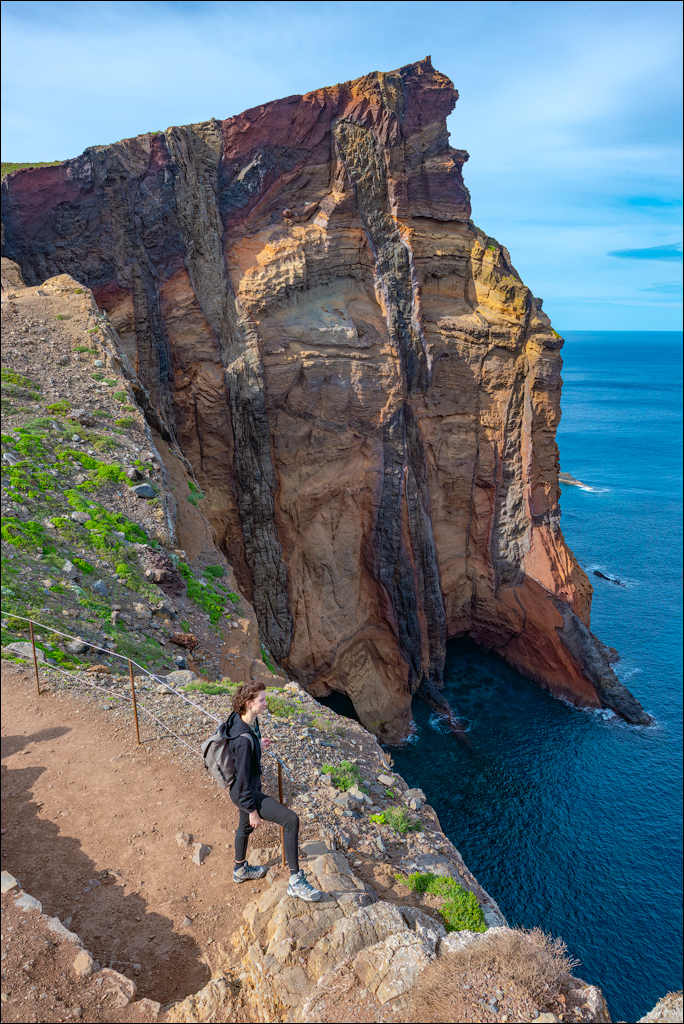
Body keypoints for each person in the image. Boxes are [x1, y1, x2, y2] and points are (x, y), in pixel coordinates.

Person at [226, 679, 322, 901]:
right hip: (245, 792)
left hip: (245, 789)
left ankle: (240, 870)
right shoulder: (244, 740)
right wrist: (252, 810)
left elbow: (244, 747)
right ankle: (296, 882)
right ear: (249, 703)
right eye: (262, 700)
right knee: (291, 820)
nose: (266, 703)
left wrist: (258, 743)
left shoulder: (245, 722)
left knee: (244, 829)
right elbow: (241, 780)